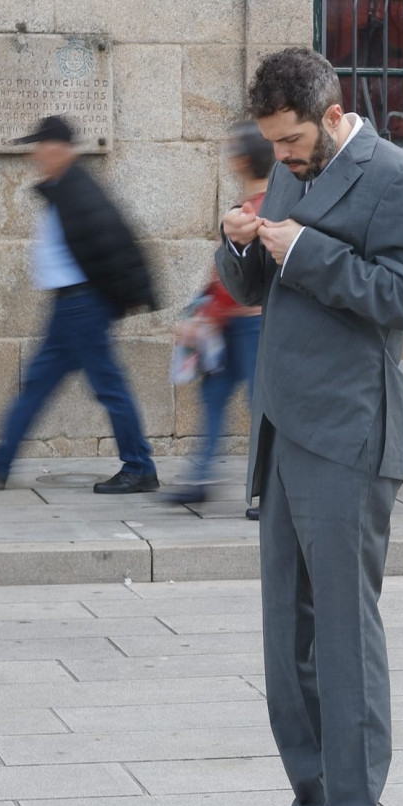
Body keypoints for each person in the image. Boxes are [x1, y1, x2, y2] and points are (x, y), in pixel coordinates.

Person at [216, 48, 403, 806]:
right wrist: (239, 238)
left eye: (291, 139)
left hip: (349, 432)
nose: (282, 155)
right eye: (273, 143)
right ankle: (311, 803)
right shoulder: (284, 170)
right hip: (282, 425)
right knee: (290, 640)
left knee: (344, 638)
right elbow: (254, 287)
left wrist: (300, 246)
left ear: (332, 110)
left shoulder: (397, 177)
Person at [0, 115, 158, 494]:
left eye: (41, 147)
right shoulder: (63, 188)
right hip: (69, 308)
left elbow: (115, 245)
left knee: (108, 386)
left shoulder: (79, 192)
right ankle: (0, 459)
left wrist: (116, 301)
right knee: (37, 385)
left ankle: (140, 466)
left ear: (61, 148)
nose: (36, 156)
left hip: (83, 306)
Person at [161, 122, 272, 517]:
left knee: (259, 408)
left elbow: (235, 279)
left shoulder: (255, 209)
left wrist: (203, 313)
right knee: (222, 400)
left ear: (243, 160)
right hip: (235, 324)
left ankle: (272, 491)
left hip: (249, 325)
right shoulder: (261, 204)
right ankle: (200, 478)